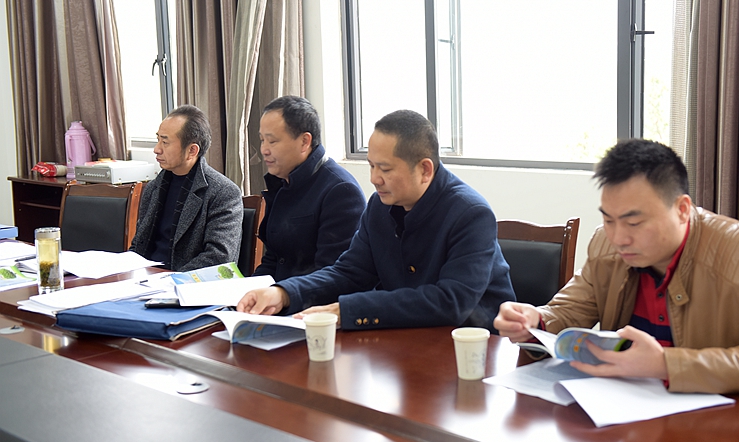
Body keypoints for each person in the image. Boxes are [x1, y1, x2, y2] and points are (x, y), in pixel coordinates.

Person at [494, 139, 739, 395]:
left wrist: (666, 364)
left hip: (725, 425)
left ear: (682, 210)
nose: (619, 238)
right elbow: (569, 310)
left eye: (634, 222)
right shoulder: (605, 245)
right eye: (608, 220)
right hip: (625, 417)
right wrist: (533, 321)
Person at [237, 110, 515, 331]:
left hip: (474, 346)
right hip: (405, 338)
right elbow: (349, 272)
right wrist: (284, 293)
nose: (374, 179)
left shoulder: (471, 213)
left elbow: (450, 302)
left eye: (385, 169)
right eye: (371, 165)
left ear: (425, 169)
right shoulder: (379, 206)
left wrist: (346, 310)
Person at [252, 95, 365, 281]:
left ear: (304, 141)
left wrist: (279, 294)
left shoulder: (341, 191)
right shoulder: (283, 182)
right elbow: (274, 260)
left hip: (312, 297)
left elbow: (332, 276)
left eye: (272, 141)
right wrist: (247, 291)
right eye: (262, 140)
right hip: (279, 294)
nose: (264, 149)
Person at [130, 105, 243, 272]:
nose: (157, 149)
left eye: (165, 142)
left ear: (192, 150)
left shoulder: (223, 193)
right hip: (147, 279)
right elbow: (138, 245)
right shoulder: (154, 188)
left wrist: (171, 280)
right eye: (158, 140)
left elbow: (219, 258)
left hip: (187, 283)